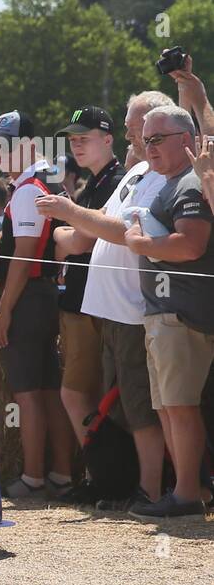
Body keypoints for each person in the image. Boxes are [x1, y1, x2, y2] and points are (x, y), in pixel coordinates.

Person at [37, 91, 174, 508]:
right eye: (133, 126)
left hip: (133, 307)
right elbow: (100, 229)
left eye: (136, 126)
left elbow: (104, 233)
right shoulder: (134, 176)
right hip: (110, 308)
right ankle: (123, 482)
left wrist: (67, 213)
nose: (132, 131)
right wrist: (73, 220)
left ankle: (151, 489)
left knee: (141, 407)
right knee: (123, 407)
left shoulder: (155, 178)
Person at [121, 105, 214, 518]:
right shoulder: (172, 182)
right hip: (166, 312)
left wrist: (143, 246)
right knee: (168, 406)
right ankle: (186, 492)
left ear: (186, 140)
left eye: (157, 138)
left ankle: (188, 494)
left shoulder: (190, 184)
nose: (148, 146)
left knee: (179, 405)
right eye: (145, 138)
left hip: (181, 313)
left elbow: (191, 245)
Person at [0, 110, 76, 499]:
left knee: (28, 392)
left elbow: (23, 256)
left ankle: (35, 476)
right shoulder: (40, 180)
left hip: (28, 297)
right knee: (48, 389)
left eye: (6, 146)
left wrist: (4, 311)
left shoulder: (27, 188)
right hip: (41, 294)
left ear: (28, 146)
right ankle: (60, 473)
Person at [48, 107, 127, 459]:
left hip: (92, 301)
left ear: (108, 139)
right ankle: (102, 474)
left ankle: (103, 474)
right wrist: (70, 231)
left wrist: (64, 233)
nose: (77, 145)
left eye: (85, 138)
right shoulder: (96, 180)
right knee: (93, 393)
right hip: (86, 299)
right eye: (73, 139)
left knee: (76, 393)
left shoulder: (115, 180)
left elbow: (81, 241)